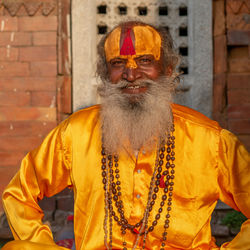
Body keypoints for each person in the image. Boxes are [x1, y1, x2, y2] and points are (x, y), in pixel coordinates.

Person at [2, 21, 250, 250]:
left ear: (168, 69)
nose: (131, 75)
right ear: (104, 73)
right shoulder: (76, 132)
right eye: (118, 63)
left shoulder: (210, 140)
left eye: (145, 61)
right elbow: (19, 194)